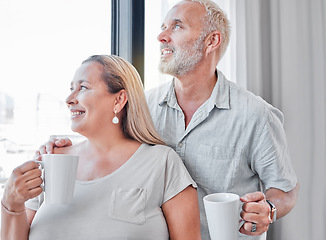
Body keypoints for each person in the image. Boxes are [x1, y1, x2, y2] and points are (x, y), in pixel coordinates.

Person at [36, 0, 299, 239]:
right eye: (163, 27)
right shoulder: (143, 106)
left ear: (211, 41)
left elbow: (285, 190)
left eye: (177, 26)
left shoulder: (256, 116)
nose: (162, 36)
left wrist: (269, 209)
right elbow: (106, 143)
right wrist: (64, 147)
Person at [0, 55, 201, 240]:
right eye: (71, 89)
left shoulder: (162, 163)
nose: (69, 99)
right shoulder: (51, 160)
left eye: (83, 87)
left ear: (119, 99)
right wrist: (12, 204)